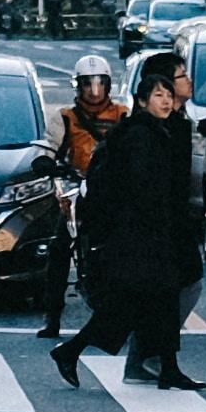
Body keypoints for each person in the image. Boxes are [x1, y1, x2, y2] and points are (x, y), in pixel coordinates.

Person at [56, 51, 206, 389]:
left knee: (142, 306)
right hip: (142, 236)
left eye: (169, 95)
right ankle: (152, 365)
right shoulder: (142, 134)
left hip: (153, 233)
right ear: (141, 101)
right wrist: (160, 225)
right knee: (142, 304)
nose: (167, 100)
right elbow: (145, 187)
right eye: (160, 95)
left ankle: (81, 352)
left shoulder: (162, 128)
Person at [42, 65, 126, 338]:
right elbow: (48, 147)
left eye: (99, 83)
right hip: (76, 189)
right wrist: (45, 163)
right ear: (77, 86)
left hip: (111, 191)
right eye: (87, 84)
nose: (94, 90)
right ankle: (52, 316)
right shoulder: (64, 117)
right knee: (58, 249)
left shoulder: (123, 115)